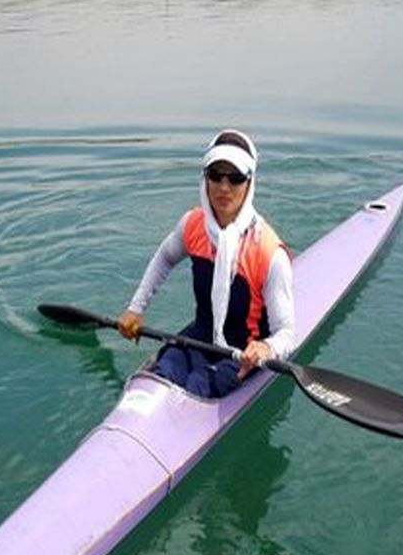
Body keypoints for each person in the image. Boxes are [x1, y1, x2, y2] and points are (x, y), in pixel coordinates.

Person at [117, 129, 295, 398]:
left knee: (198, 385)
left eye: (235, 178)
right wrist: (135, 308)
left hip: (244, 354)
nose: (224, 187)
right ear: (205, 178)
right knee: (161, 373)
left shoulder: (269, 253)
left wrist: (267, 349)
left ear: (250, 182)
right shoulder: (192, 225)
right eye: (216, 175)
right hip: (199, 336)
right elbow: (164, 259)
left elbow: (287, 333)